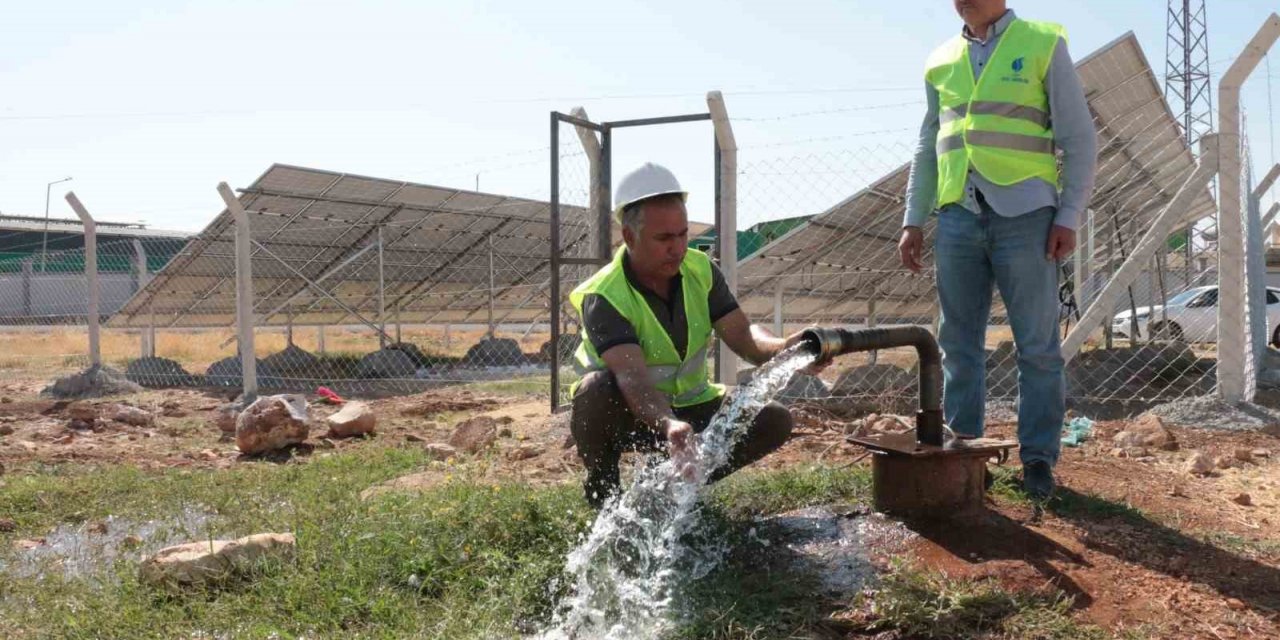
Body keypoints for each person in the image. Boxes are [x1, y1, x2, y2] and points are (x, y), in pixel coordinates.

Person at [896, 0, 1097, 501]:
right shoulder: (940, 60)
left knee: (1038, 348)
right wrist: (913, 218)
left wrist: (1068, 214)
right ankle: (966, 451)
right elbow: (928, 145)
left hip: (1027, 216)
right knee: (958, 344)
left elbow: (1079, 138)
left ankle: (1037, 461)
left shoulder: (1042, 43)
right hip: (959, 216)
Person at [568, 163, 815, 508]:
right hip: (629, 411)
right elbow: (632, 378)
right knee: (594, 389)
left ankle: (668, 489)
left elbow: (743, 338)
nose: (678, 247)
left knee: (772, 419)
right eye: (664, 238)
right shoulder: (605, 295)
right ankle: (604, 498)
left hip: (692, 405)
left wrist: (787, 348)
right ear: (629, 236)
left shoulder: (700, 270)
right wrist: (669, 424)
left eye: (683, 234)